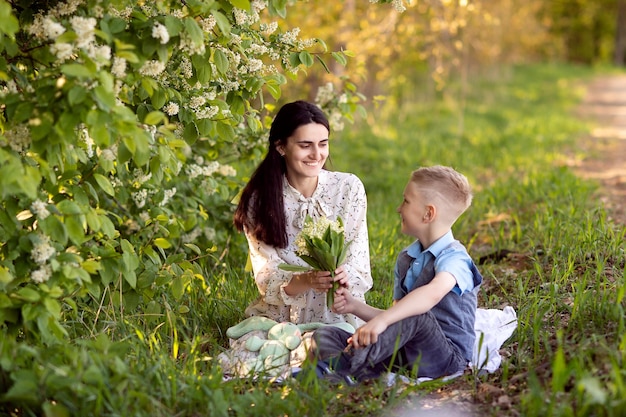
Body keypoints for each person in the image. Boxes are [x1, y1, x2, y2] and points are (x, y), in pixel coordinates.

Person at [311, 165, 483, 382]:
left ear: (428, 213)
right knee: (326, 333)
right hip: (405, 353)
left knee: (416, 314)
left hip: (446, 358)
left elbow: (431, 294)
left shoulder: (456, 258)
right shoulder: (406, 258)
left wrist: (383, 321)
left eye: (406, 201)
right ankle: (352, 372)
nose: (398, 208)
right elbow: (397, 321)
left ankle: (339, 368)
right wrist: (354, 306)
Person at [233, 100, 372, 329]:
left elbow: (358, 258)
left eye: (323, 144)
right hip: (283, 317)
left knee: (343, 355)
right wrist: (306, 280)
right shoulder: (259, 200)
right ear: (281, 147)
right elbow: (266, 277)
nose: (317, 154)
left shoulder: (348, 188)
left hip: (340, 311)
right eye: (305, 145)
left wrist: (343, 275)